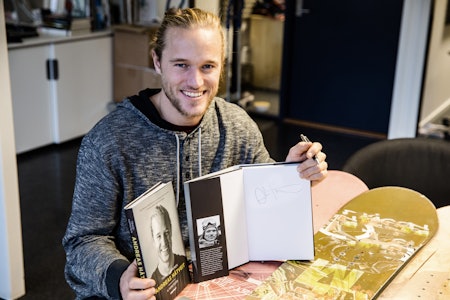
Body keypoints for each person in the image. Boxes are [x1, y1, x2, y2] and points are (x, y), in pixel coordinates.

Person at [62, 7, 328, 300]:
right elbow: (83, 240)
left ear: (222, 67)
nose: (196, 82)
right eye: (181, 65)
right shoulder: (108, 141)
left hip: (221, 284)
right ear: (157, 62)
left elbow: (262, 203)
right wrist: (118, 279)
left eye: (207, 67)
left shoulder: (238, 126)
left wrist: (291, 175)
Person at [149, 205, 189, 300]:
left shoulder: (183, 262)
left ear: (171, 232)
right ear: (153, 239)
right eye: (158, 236)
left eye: (166, 233)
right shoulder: (152, 282)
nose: (164, 243)